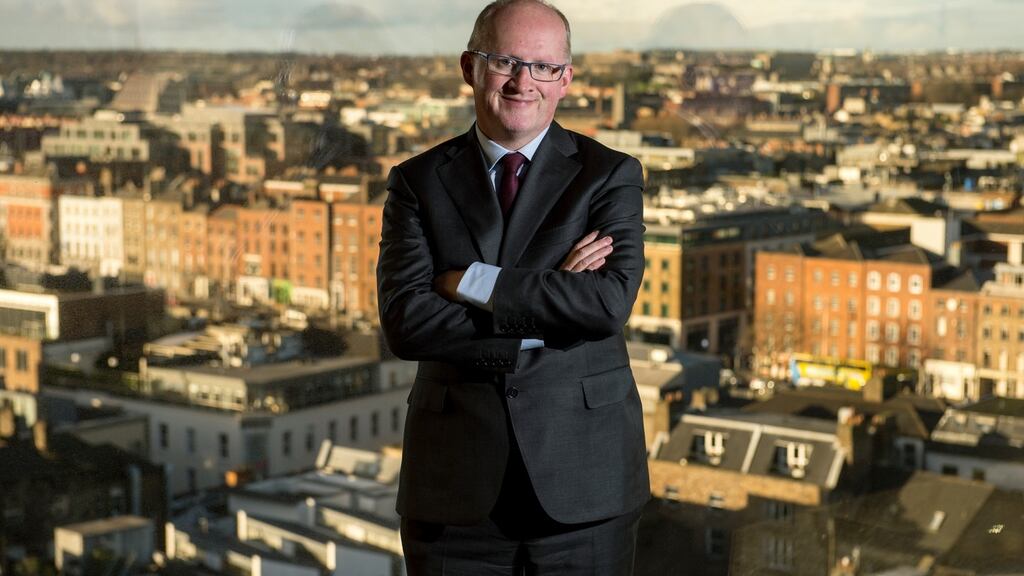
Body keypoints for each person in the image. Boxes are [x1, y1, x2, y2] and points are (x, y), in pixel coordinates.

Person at [376, 0, 649, 573]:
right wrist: (552, 297)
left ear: (566, 80)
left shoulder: (609, 174)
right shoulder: (417, 182)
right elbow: (407, 322)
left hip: (586, 486)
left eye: (544, 66)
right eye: (505, 61)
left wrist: (470, 282)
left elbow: (605, 304)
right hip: (454, 495)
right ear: (469, 66)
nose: (525, 81)